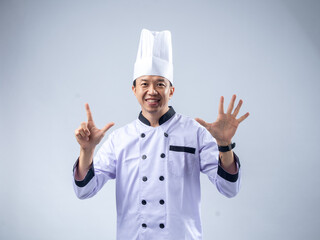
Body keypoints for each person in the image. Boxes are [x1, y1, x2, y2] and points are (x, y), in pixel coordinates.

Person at [73, 29, 249, 240]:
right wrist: (87, 151)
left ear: (171, 91)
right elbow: (84, 191)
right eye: (145, 84)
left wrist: (224, 145)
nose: (152, 91)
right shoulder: (120, 139)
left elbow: (229, 189)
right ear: (134, 89)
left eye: (160, 84)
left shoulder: (194, 133)